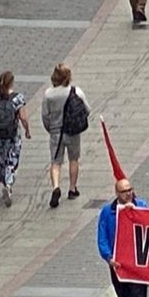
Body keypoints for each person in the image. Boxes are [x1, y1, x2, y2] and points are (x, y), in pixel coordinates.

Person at [97, 177, 149, 297]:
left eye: (130, 190)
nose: (128, 194)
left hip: (137, 262)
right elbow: (102, 236)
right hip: (118, 264)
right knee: (124, 296)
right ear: (117, 193)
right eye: (124, 191)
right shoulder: (107, 212)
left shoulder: (141, 206)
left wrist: (135, 213)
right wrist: (108, 257)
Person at [41, 63, 91, 207]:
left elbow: (45, 116)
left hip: (56, 132)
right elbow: (87, 110)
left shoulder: (48, 94)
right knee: (73, 159)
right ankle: (72, 188)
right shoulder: (76, 91)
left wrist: (50, 128)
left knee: (55, 162)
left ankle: (56, 187)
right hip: (73, 131)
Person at [0, 71, 30, 208]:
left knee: (0, 161)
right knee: (12, 160)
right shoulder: (18, 98)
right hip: (12, 136)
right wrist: (27, 130)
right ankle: (9, 184)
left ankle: (4, 181)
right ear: (12, 82)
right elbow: (23, 118)